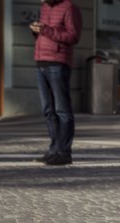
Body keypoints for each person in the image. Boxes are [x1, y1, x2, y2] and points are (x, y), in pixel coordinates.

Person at [30, 0, 82, 166]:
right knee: (48, 110)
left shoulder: (69, 7)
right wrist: (37, 32)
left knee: (62, 110)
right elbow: (46, 34)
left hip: (58, 64)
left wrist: (45, 30)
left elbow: (73, 36)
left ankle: (64, 152)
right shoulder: (44, 7)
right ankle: (54, 150)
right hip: (41, 62)